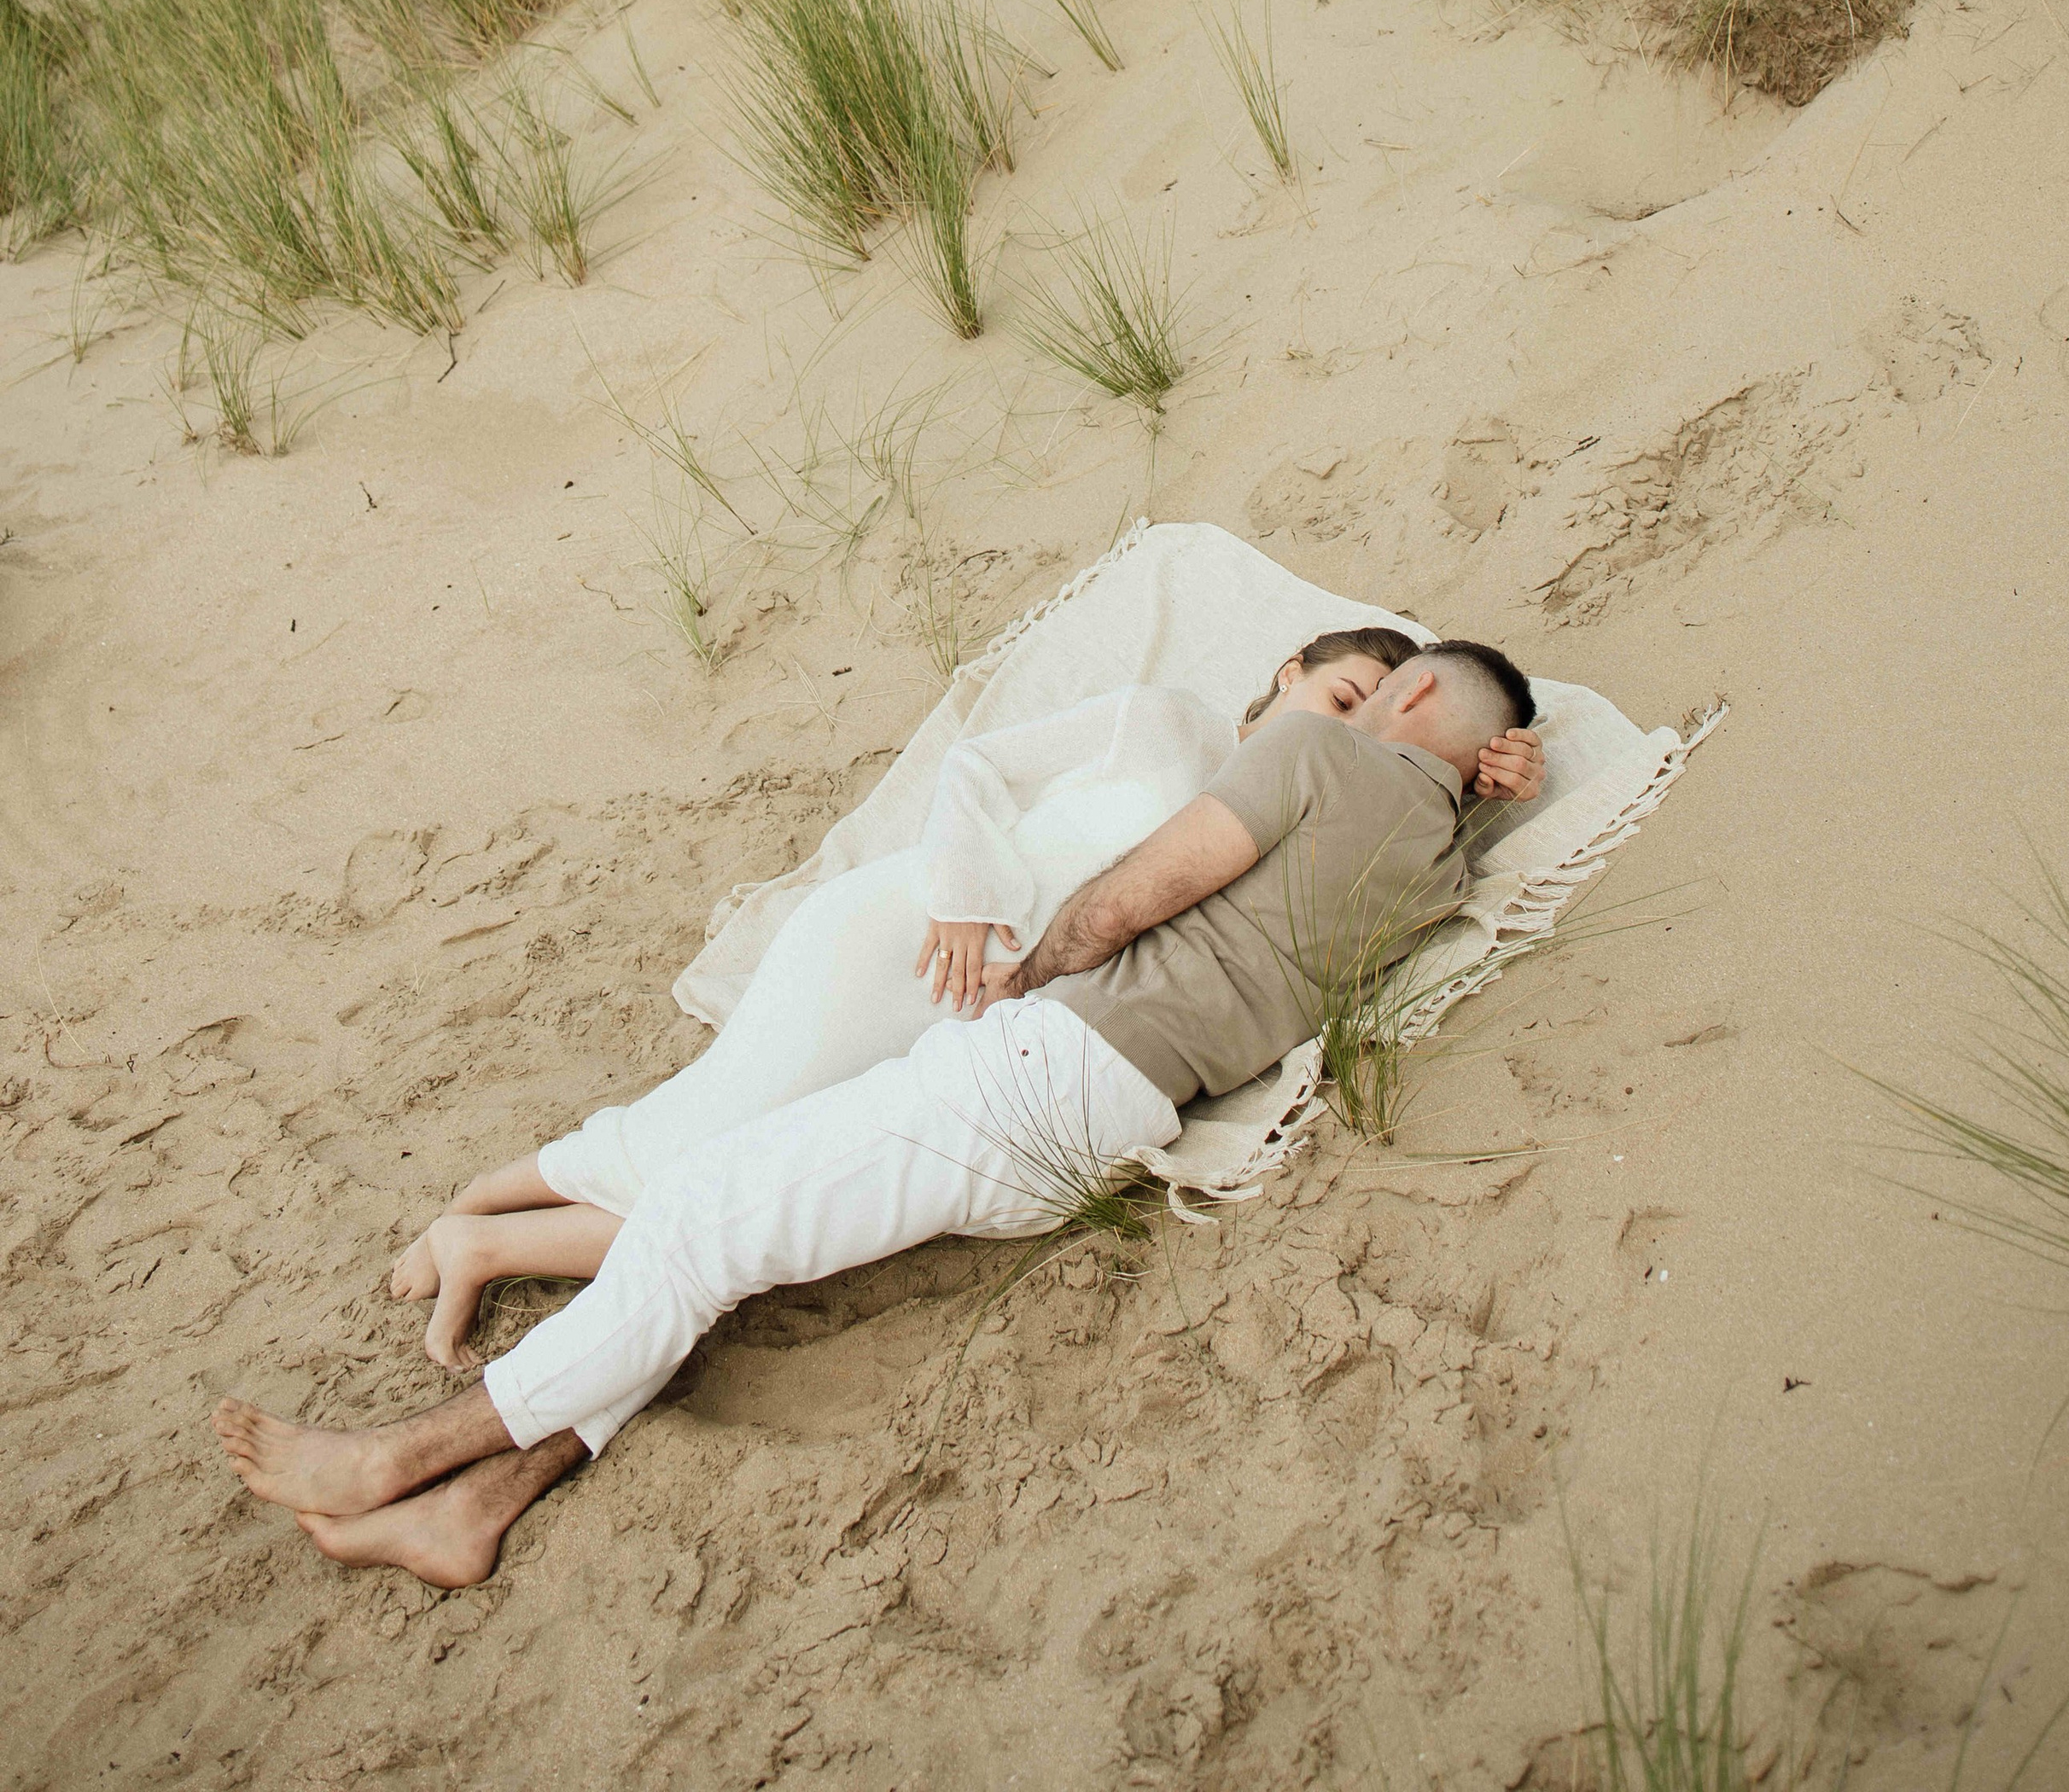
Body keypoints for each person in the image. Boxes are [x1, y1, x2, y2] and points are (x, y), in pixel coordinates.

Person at [216, 640, 1542, 1589]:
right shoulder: (1431, 872)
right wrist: (1481, 798)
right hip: (1099, 1136)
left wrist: (1026, 975)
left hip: (1048, 1068)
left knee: (692, 1218)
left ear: (1411, 691)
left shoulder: (1311, 750)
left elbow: (1136, 894)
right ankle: (479, 1507)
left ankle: (402, 1461)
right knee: (724, 1244)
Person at [388, 626, 1542, 1367]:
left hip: (1011, 1013)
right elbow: (980, 769)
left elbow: (1381, 852)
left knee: (771, 1168)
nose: (1344, 723)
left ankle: (485, 1241)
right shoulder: (1170, 722)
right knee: (713, 1123)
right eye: (1340, 695)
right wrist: (957, 893)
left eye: (1368, 712)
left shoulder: (1310, 799)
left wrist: (1483, 777)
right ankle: (482, 1201)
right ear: (1289, 672)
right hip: (929, 940)